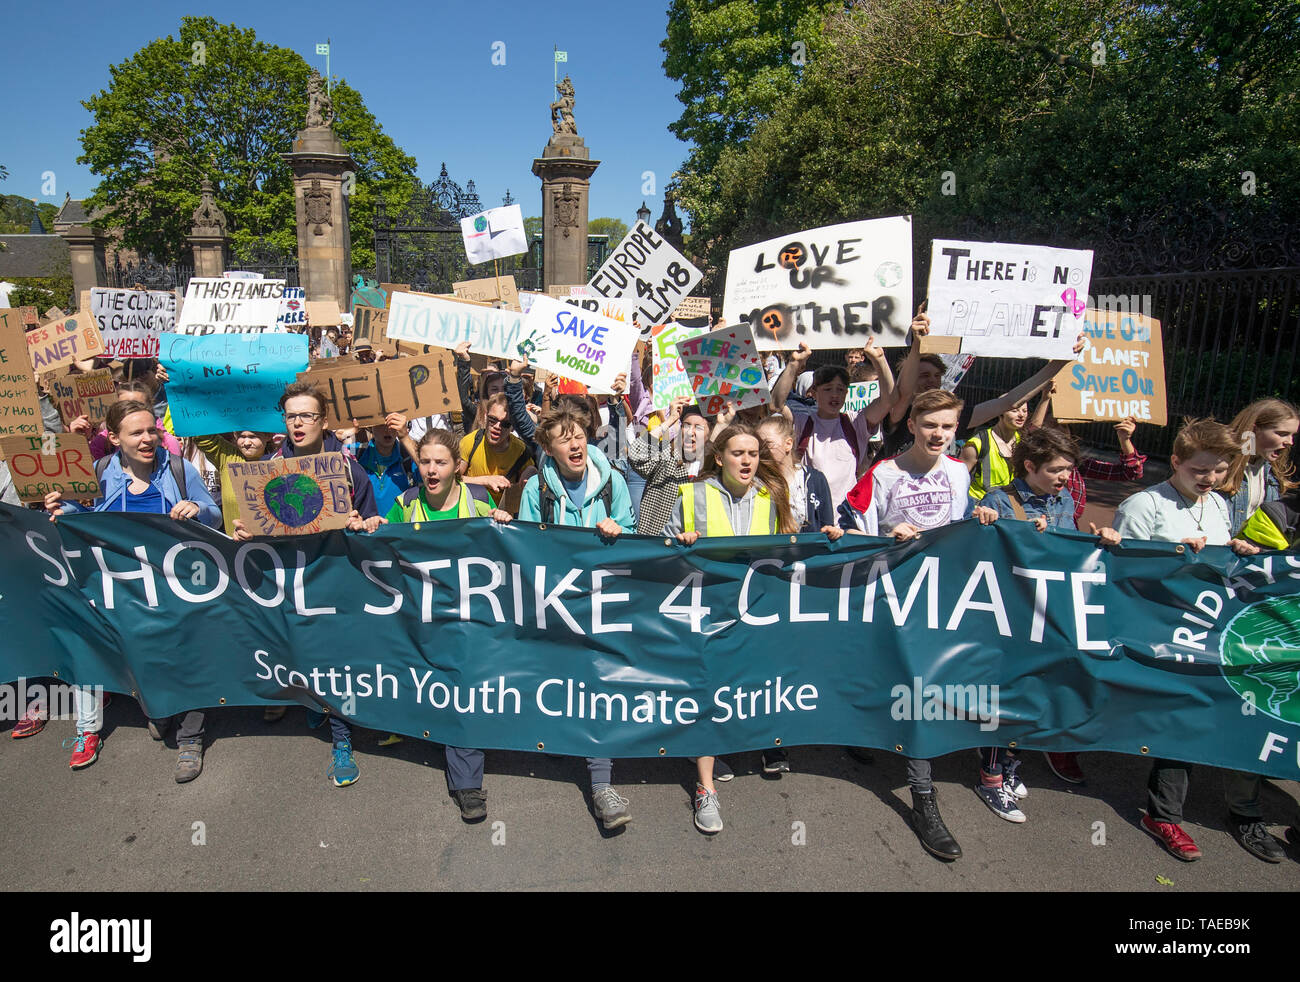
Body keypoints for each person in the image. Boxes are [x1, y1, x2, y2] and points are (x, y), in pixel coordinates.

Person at [838, 389, 998, 860]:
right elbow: (849, 530)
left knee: (923, 690)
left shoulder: (957, 472)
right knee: (898, 681)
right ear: (912, 425)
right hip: (892, 595)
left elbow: (960, 527)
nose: (940, 435)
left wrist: (980, 518)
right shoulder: (883, 474)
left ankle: (923, 790)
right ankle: (918, 790)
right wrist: (888, 537)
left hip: (940, 598)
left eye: (948, 427)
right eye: (931, 425)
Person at [1104, 418, 1264, 862]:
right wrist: (1175, 560)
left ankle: (1231, 808)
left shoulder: (1219, 505)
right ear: (1175, 462)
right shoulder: (1145, 505)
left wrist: (1237, 550)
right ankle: (1163, 815)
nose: (1210, 479)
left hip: (1208, 630)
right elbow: (1122, 574)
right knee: (1181, 718)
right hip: (1161, 632)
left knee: (1203, 714)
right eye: (1200, 470)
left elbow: (1222, 563)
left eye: (1218, 469)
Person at [43, 399, 221, 779]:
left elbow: (214, 513)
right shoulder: (101, 470)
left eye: (151, 431)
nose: (147, 439)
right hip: (124, 587)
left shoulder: (178, 469)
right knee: (142, 650)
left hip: (177, 583)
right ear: (113, 438)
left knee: (189, 651)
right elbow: (82, 516)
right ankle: (160, 708)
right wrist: (61, 510)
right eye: (136, 432)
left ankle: (191, 736)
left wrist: (197, 508)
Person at [234, 381, 380, 788]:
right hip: (291, 581)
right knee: (304, 654)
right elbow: (260, 528)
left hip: (336, 577)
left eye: (307, 416)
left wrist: (362, 524)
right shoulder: (268, 469)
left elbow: (373, 524)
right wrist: (247, 533)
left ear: (324, 421)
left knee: (337, 660)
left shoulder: (349, 467)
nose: (299, 423)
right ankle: (316, 700)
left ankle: (342, 740)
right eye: (292, 416)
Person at [664, 421, 804, 831]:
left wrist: (829, 538)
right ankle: (705, 788)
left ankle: (729, 744)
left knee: (739, 688)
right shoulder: (691, 495)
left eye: (753, 454)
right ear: (719, 457)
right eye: (738, 453)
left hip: (756, 612)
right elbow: (663, 551)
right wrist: (681, 543)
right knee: (709, 691)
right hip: (706, 613)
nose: (747, 460)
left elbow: (793, 545)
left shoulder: (771, 495)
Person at [378, 428, 513, 821]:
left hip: (470, 623)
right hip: (420, 620)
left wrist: (507, 522)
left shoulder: (480, 502)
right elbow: (380, 549)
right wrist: (368, 528)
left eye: (440, 462)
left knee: (462, 693)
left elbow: (510, 554)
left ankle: (468, 784)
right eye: (424, 462)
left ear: (459, 466)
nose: (431, 470)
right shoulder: (404, 504)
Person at [518, 404, 636, 830]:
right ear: (549, 448)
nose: (575, 443)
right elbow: (527, 544)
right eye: (564, 437)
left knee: (594, 682)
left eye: (580, 435)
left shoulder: (614, 483)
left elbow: (633, 533)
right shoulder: (537, 489)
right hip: (556, 604)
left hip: (602, 603)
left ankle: (602, 784)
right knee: (563, 681)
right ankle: (561, 735)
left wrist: (618, 531)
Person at [980, 426, 1094, 811]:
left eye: (1068, 469)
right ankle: (991, 776)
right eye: (1057, 469)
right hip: (1009, 618)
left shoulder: (1062, 502)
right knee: (1004, 695)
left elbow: (1072, 553)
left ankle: (1013, 763)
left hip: (1049, 616)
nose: (1065, 477)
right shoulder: (999, 498)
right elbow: (978, 549)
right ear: (1030, 465)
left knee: (1033, 694)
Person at [770, 336, 897, 513]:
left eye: (840, 390)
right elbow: (776, 404)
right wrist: (793, 364)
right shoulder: (802, 422)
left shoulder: (855, 422)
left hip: (846, 517)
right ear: (813, 392)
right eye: (828, 389)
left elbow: (889, 400)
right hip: (809, 515)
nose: (835, 395)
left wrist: (879, 360)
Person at [1219, 398, 1298, 536]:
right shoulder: (1219, 466)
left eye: (1292, 435)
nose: (1290, 442)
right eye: (1282, 434)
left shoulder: (1272, 472)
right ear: (1254, 430)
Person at [460, 393, 533, 507]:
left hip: (503, 518)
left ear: (513, 426)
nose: (497, 426)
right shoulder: (470, 442)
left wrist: (531, 473)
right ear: (485, 416)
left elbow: (531, 479)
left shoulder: (520, 451)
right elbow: (452, 480)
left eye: (505, 424)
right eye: (493, 419)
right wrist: (485, 481)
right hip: (472, 513)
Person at [352, 412, 420, 517]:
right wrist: (340, 435)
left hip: (401, 530)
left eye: (393, 423)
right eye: (381, 424)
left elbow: (428, 470)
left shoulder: (408, 456)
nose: (387, 429)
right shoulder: (356, 452)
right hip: (366, 530)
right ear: (370, 426)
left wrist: (405, 437)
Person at [961, 401, 1029, 500]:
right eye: (1014, 411)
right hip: (981, 508)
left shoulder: (1023, 443)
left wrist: (1045, 399)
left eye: (1025, 411)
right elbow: (957, 482)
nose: (1021, 415)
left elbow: (1036, 427)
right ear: (1000, 413)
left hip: (1010, 507)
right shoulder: (978, 443)